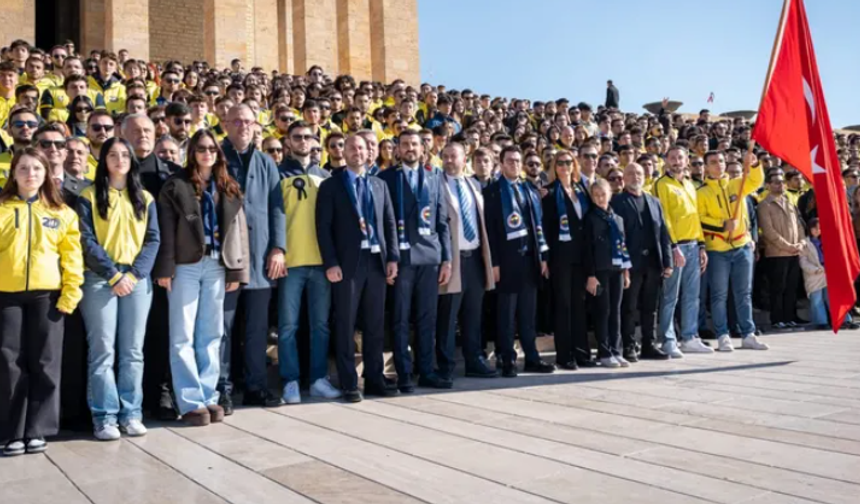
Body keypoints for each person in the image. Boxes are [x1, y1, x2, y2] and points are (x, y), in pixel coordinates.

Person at [154, 130, 249, 426]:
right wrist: (165, 268)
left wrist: (237, 270)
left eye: (212, 148)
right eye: (201, 148)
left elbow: (240, 232)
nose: (207, 153)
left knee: (211, 334)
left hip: (218, 265)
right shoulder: (176, 185)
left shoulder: (228, 186)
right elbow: (166, 229)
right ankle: (190, 400)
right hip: (185, 265)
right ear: (192, 151)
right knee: (182, 334)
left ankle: (209, 396)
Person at [0, 149, 83, 456]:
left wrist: (71, 292)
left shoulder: (61, 212)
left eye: (37, 168)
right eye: (23, 168)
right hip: (6, 295)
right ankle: (11, 431)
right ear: (13, 173)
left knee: (45, 362)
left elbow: (72, 257)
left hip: (47, 296)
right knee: (9, 363)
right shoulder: (2, 208)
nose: (30, 173)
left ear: (47, 173)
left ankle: (37, 429)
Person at [77, 137, 160, 440]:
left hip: (137, 280)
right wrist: (113, 275)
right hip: (100, 279)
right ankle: (105, 416)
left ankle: (131, 413)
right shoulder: (88, 195)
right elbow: (86, 241)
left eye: (125, 154)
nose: (120, 159)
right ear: (104, 160)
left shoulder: (145, 198)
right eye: (113, 154)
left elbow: (153, 240)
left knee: (133, 352)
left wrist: (135, 274)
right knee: (102, 351)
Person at [316, 134, 399, 402]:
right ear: (343, 152)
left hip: (376, 262)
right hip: (347, 265)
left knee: (375, 324)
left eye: (361, 148)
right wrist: (331, 263)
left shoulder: (379, 184)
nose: (356, 152)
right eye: (351, 147)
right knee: (345, 324)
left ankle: (374, 379)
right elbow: (323, 228)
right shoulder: (331, 186)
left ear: (368, 152)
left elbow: (389, 223)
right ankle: (349, 382)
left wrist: (392, 258)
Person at [219, 104, 286, 411]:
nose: (243, 126)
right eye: (237, 121)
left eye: (248, 121)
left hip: (260, 257)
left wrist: (278, 248)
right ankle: (222, 389)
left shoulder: (266, 163)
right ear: (226, 124)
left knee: (257, 328)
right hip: (225, 260)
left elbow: (276, 208)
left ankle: (255, 387)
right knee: (223, 327)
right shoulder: (215, 157)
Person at [378, 130, 452, 391]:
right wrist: (389, 258)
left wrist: (447, 259)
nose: (410, 148)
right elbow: (382, 223)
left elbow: (442, 222)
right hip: (401, 259)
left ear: (423, 149)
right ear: (397, 149)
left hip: (429, 258)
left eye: (415, 144)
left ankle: (427, 371)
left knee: (427, 318)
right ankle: (405, 372)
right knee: (399, 318)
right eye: (405, 144)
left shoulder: (434, 178)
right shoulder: (385, 178)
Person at [276, 136, 342, 404]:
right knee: (288, 326)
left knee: (321, 325)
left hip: (321, 261)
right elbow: (274, 215)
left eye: (308, 138)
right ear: (289, 143)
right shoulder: (278, 174)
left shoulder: (326, 176)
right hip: (290, 261)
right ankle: (290, 381)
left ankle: (318, 379)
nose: (303, 141)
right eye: (298, 137)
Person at [123, 113, 179, 421]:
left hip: (161, 270)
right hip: (123, 270)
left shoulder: (170, 175)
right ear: (123, 134)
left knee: (160, 332)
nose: (142, 135)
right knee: (128, 339)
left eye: (147, 130)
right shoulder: (113, 173)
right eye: (135, 130)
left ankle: (161, 393)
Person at [484, 146, 555, 377]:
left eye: (517, 160)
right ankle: (507, 359)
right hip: (506, 262)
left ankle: (532, 358)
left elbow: (538, 224)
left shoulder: (529, 189)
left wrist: (542, 257)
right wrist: (493, 263)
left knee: (528, 313)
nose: (514, 164)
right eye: (510, 161)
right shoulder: (493, 191)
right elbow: (490, 232)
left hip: (529, 260)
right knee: (506, 314)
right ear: (502, 164)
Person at [436, 142, 497, 379]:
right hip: (452, 259)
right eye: (446, 156)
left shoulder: (473, 185)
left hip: (474, 259)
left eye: (454, 156)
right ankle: (445, 365)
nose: (449, 160)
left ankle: (474, 361)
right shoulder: (437, 184)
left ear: (464, 159)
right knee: (448, 316)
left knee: (473, 314)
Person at [698, 150, 769, 351]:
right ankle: (723, 335)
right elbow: (700, 218)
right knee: (719, 295)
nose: (718, 165)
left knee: (744, 293)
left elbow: (756, 182)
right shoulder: (701, 192)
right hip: (717, 250)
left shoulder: (736, 184)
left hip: (741, 246)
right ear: (706, 167)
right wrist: (722, 225)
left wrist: (754, 165)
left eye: (721, 161)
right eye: (713, 162)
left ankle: (748, 333)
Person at [611, 163, 672, 361]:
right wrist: (622, 265)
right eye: (630, 173)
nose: (635, 177)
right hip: (630, 265)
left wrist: (668, 261)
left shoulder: (654, 201)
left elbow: (663, 232)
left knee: (650, 307)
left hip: (653, 263)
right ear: (623, 178)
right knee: (628, 307)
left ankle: (649, 344)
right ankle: (628, 346)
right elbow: (616, 236)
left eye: (638, 173)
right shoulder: (617, 202)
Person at [542, 150, 595, 369]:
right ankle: (565, 355)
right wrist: (544, 258)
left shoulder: (581, 190)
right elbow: (544, 227)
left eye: (568, 163)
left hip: (581, 255)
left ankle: (582, 352)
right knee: (563, 305)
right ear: (554, 167)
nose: (565, 166)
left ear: (574, 165)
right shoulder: (549, 192)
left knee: (579, 305)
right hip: (560, 256)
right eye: (560, 163)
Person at [654, 145, 708, 358]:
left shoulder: (690, 185)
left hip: (694, 244)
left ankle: (689, 336)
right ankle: (668, 339)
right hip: (676, 247)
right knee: (670, 296)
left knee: (692, 295)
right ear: (666, 161)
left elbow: (695, 216)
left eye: (681, 158)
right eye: (673, 158)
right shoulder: (662, 184)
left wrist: (702, 245)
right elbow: (664, 218)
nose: (677, 161)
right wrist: (673, 246)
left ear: (687, 161)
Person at [584, 178, 631, 367]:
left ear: (610, 194)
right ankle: (604, 352)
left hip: (617, 269)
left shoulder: (617, 219)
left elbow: (623, 246)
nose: (600, 198)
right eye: (595, 195)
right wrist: (590, 275)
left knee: (615, 311)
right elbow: (587, 249)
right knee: (603, 311)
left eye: (603, 194)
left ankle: (615, 349)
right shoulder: (590, 219)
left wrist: (626, 272)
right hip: (600, 270)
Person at [758, 171, 806, 331]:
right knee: (778, 288)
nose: (780, 185)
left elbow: (799, 225)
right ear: (768, 185)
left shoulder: (789, 201)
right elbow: (769, 231)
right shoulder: (765, 205)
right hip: (777, 253)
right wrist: (787, 246)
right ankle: (777, 319)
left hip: (794, 252)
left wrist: (800, 243)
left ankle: (790, 317)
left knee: (792, 287)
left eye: (782, 182)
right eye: (776, 182)